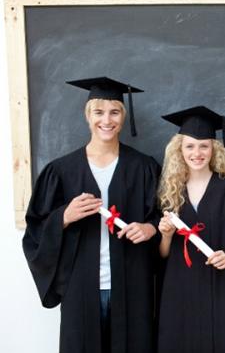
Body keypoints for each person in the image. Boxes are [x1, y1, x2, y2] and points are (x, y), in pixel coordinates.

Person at [22, 77, 161, 353]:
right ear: (87, 116)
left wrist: (151, 228)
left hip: (133, 284)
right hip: (81, 285)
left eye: (114, 112)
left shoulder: (144, 168)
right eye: (98, 112)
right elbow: (35, 230)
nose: (106, 120)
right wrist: (64, 216)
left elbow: (164, 216)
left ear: (123, 116)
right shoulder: (60, 171)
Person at [156, 106, 225, 353]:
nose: (197, 153)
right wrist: (166, 235)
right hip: (180, 286)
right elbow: (161, 255)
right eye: (190, 146)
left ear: (214, 149)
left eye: (204, 146)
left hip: (221, 284)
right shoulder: (170, 193)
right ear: (179, 150)